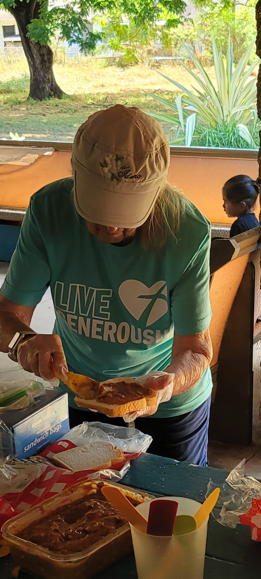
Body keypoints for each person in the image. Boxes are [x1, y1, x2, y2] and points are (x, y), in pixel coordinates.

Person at [0, 104, 213, 465]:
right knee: (85, 509)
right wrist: (24, 341)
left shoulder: (187, 230)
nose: (110, 227)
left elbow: (196, 349)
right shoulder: (49, 210)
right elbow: (6, 313)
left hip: (166, 408)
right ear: (77, 180)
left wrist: (166, 385)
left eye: (127, 214)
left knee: (168, 511)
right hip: (77, 393)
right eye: (96, 211)